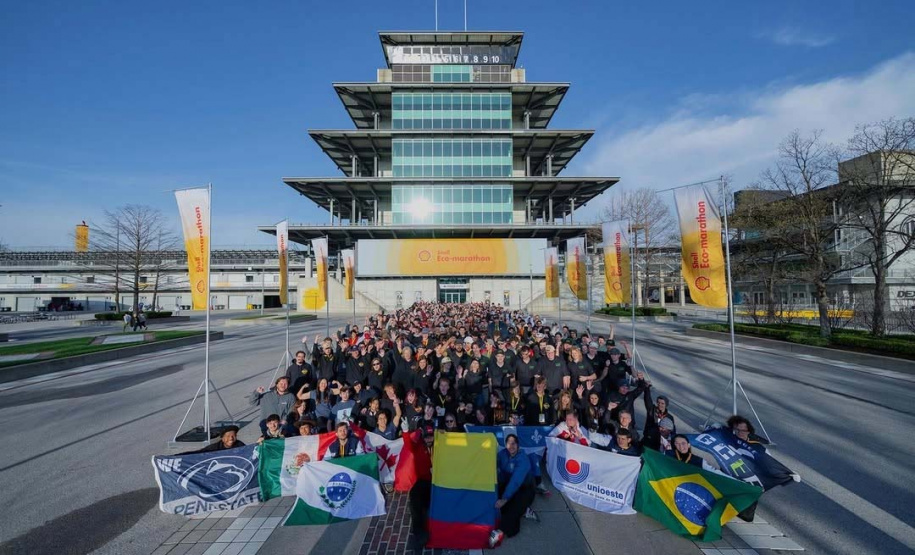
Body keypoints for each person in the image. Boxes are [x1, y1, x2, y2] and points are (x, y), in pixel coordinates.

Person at [490, 434, 539, 547]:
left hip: (526, 488)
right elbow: (492, 462)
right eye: (508, 443)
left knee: (513, 506)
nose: (511, 446)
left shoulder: (523, 459)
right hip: (510, 486)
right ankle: (524, 511)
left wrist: (505, 498)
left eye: (513, 443)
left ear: (518, 445)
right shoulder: (502, 454)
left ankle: (499, 532)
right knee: (499, 505)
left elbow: (516, 481)